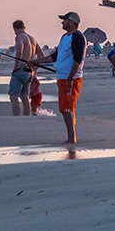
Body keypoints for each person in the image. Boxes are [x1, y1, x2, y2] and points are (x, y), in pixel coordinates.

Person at [36, 12, 86, 144]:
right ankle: (71, 136)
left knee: (67, 108)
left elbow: (77, 60)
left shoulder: (77, 37)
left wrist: (70, 78)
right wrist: (36, 61)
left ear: (72, 22)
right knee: (65, 108)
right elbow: (54, 56)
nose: (62, 22)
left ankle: (71, 137)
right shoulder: (65, 37)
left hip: (71, 78)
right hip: (62, 77)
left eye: (65, 20)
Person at [8, 19, 39, 116]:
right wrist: (34, 69)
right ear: (24, 27)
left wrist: (16, 66)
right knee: (25, 95)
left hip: (20, 70)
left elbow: (20, 51)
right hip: (29, 71)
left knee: (13, 96)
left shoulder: (19, 37)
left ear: (14, 29)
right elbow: (41, 56)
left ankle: (16, 117)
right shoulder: (32, 39)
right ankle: (27, 117)